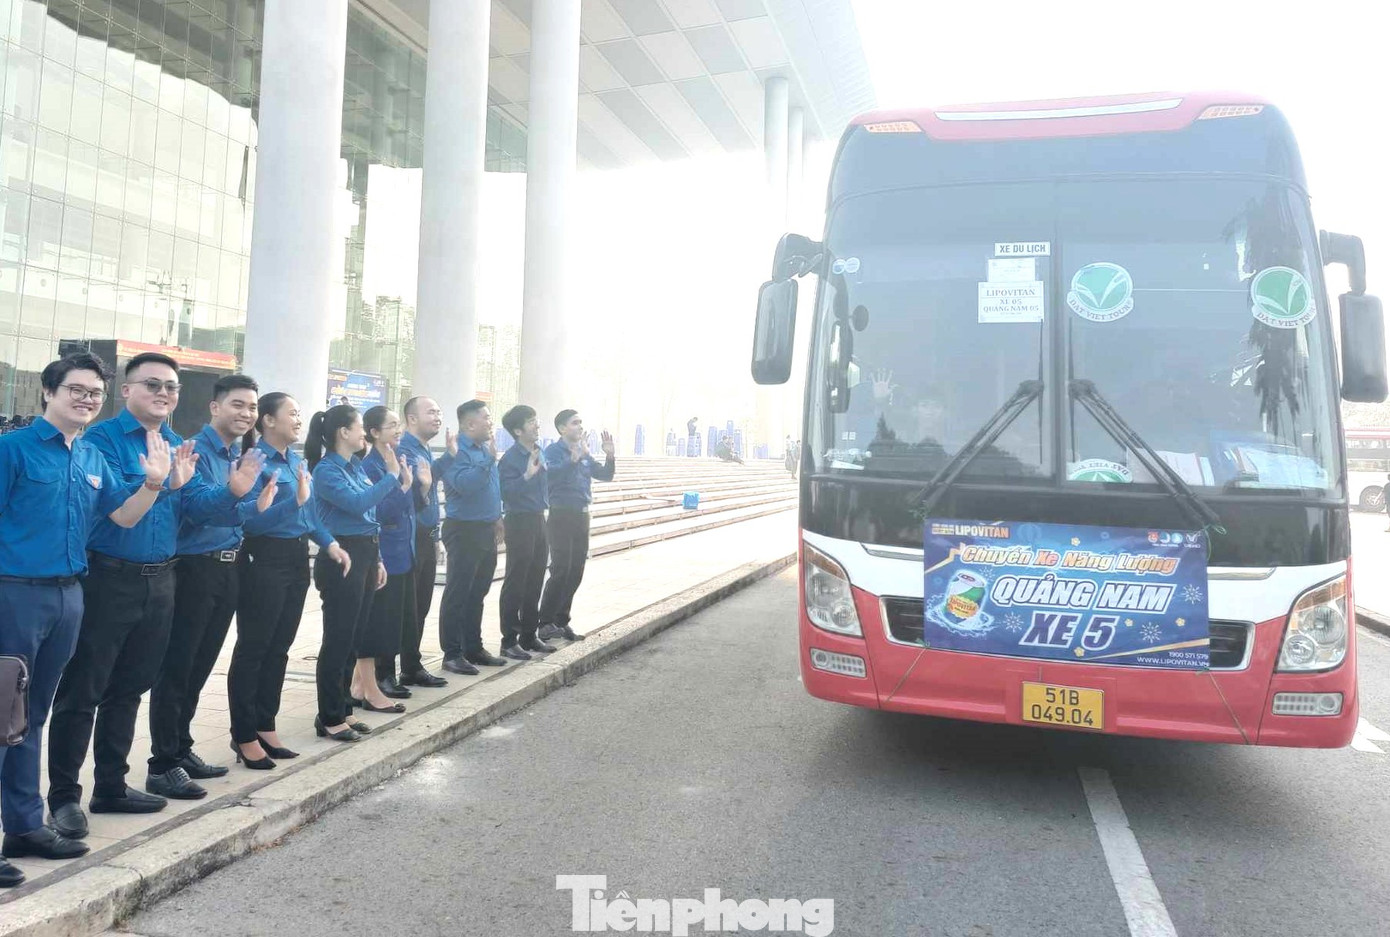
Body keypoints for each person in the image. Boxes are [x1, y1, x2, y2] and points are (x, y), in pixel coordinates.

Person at [44, 353, 262, 840]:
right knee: (85, 690)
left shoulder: (171, 443)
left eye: (172, 387)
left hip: (162, 579)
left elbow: (196, 508)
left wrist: (232, 491)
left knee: (130, 688)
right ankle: (62, 797)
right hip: (110, 578)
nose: (164, 394)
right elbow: (122, 505)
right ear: (126, 391)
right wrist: (161, 483)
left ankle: (111, 786)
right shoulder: (100, 439)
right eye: (153, 384)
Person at [0, 353, 175, 887]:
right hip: (15, 596)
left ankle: (26, 825)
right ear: (48, 393)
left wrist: (154, 484)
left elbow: (121, 517)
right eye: (76, 390)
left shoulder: (89, 457)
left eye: (94, 393)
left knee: (29, 717)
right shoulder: (13, 450)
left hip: (70, 594)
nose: (87, 399)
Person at [146, 374, 288, 799]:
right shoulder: (191, 451)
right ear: (214, 407)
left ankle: (181, 748)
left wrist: (250, 504)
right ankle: (162, 763)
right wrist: (236, 493)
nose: (245, 414)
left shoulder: (234, 454)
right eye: (237, 405)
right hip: (194, 570)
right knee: (178, 667)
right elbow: (198, 510)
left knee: (201, 665)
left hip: (228, 568)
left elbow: (233, 514)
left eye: (251, 408)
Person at [228, 394, 348, 770]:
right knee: (254, 648)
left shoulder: (296, 460)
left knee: (280, 647)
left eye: (299, 413)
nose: (299, 419)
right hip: (263, 557)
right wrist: (292, 502)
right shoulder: (254, 463)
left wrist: (330, 545)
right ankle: (243, 734)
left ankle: (266, 724)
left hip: (297, 559)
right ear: (267, 421)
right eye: (292, 413)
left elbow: (309, 513)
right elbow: (249, 522)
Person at [306, 405, 411, 743]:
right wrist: (393, 476)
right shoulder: (326, 471)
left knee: (353, 638)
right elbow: (356, 503)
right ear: (343, 433)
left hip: (365, 550)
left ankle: (345, 710)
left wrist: (377, 558)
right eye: (358, 427)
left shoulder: (352, 466)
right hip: (342, 556)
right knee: (337, 639)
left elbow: (370, 513)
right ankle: (330, 716)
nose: (363, 433)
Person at [358, 406, 422, 707]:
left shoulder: (398, 460)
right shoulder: (370, 466)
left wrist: (416, 486)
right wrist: (405, 486)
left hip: (404, 548)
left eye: (399, 425)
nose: (398, 430)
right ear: (373, 432)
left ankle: (387, 676)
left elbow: (409, 507)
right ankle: (381, 677)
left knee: (400, 617)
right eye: (392, 425)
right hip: (386, 550)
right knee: (383, 618)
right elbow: (379, 512)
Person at [437, 400, 507, 675]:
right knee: (458, 592)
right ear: (469, 424)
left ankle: (473, 647)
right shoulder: (457, 451)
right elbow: (465, 485)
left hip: (485, 527)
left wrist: (497, 516)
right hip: (463, 528)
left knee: (477, 591)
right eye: (486, 418)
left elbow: (491, 487)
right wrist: (489, 460)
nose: (491, 423)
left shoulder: (483, 449)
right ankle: (452, 653)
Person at [538, 410, 615, 643]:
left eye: (581, 422)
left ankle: (561, 621)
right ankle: (545, 623)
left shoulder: (584, 453)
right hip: (561, 515)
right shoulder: (552, 452)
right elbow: (549, 476)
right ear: (562, 428)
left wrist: (610, 456)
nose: (580, 427)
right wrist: (572, 459)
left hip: (582, 516)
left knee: (575, 571)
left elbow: (605, 475)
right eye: (575, 423)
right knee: (561, 569)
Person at [391, 397, 448, 691]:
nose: (438, 416)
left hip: (425, 536)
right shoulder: (404, 451)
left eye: (438, 411)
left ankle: (411, 667)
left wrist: (436, 537)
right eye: (431, 412)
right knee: (405, 608)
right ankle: (391, 669)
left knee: (420, 606)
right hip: (408, 538)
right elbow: (410, 498)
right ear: (411, 419)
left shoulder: (423, 449)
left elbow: (429, 495)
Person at [497, 405, 556, 661]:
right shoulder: (510, 458)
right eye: (531, 421)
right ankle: (509, 639)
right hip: (518, 520)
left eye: (536, 419)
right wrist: (526, 475)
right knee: (516, 580)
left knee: (535, 577)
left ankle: (529, 635)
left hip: (538, 519)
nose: (537, 424)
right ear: (518, 430)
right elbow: (505, 492)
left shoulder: (537, 451)